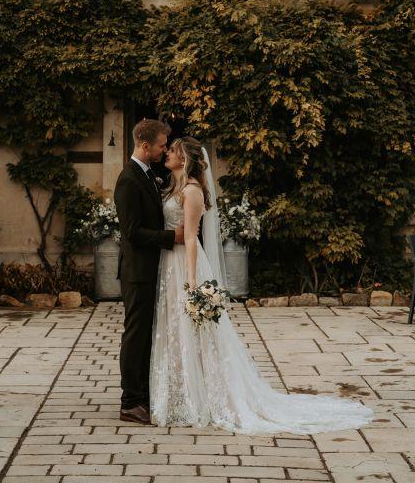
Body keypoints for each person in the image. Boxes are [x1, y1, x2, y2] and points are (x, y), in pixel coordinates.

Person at [148, 136, 373, 434]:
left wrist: (191, 280)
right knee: (176, 329)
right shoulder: (173, 187)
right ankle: (180, 393)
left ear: (185, 159)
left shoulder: (191, 191)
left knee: (195, 331)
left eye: (173, 151)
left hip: (184, 265)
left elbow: (191, 237)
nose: (168, 154)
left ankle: (201, 397)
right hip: (169, 265)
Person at [114, 118, 183, 425]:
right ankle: (130, 402)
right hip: (138, 272)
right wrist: (171, 238)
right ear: (145, 146)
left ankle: (143, 394)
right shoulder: (128, 179)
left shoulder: (148, 175)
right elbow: (131, 232)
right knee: (136, 336)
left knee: (145, 337)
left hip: (151, 268)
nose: (163, 149)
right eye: (161, 145)